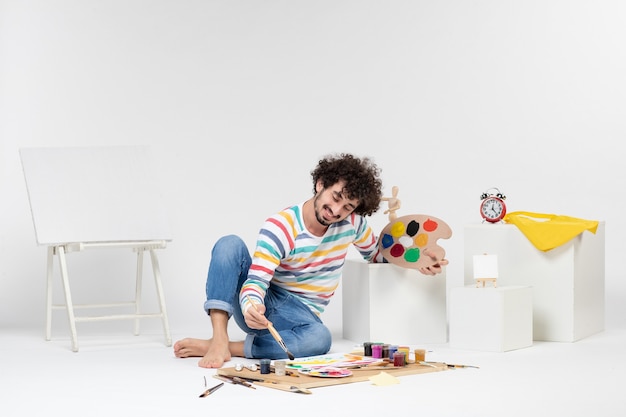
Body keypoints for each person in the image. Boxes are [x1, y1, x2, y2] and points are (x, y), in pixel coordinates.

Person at [173, 153, 448, 368]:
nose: (336, 210)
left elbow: (376, 257)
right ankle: (219, 337)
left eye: (347, 207)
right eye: (335, 197)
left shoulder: (353, 224)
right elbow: (257, 278)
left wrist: (418, 261)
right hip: (265, 301)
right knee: (229, 244)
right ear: (320, 184)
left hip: (301, 315)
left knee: (320, 339)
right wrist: (252, 305)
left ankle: (229, 347)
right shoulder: (281, 226)